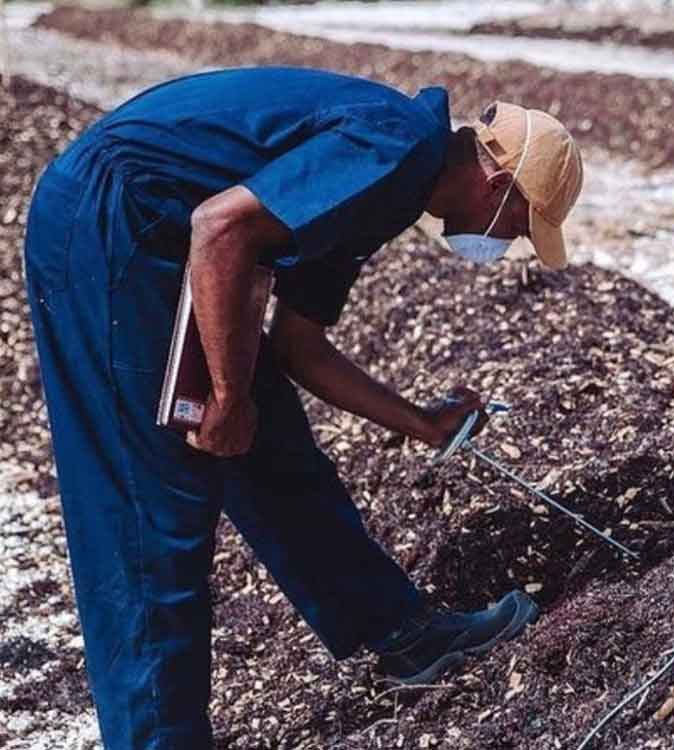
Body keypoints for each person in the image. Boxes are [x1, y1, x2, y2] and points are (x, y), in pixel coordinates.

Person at [22, 66, 584, 750]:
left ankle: (400, 633)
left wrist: (421, 422)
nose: (513, 244)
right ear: (499, 186)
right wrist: (226, 396)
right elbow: (221, 228)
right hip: (113, 221)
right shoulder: (396, 147)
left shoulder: (394, 185)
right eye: (523, 226)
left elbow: (297, 345)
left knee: (272, 446)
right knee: (152, 504)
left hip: (161, 234)